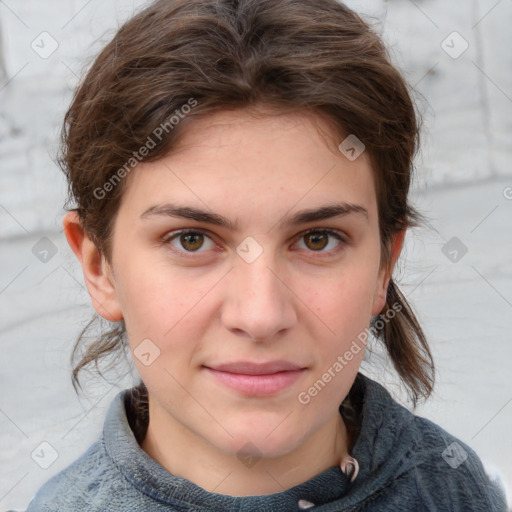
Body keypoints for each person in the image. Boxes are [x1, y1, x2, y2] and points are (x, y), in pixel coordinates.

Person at [18, 0, 507, 510]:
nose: (260, 316)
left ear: (384, 264)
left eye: (318, 239)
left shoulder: (456, 489)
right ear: (100, 269)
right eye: (191, 239)